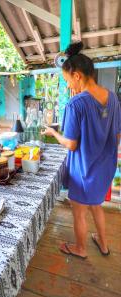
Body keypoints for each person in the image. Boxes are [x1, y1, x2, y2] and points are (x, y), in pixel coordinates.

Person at [42, 42, 121, 259]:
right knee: (96, 206)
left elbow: (71, 144)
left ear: (77, 76)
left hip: (84, 169)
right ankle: (104, 246)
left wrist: (53, 133)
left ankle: (81, 248)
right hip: (105, 168)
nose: (68, 86)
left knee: (79, 212)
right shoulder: (113, 97)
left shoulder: (76, 104)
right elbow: (116, 135)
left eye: (67, 80)